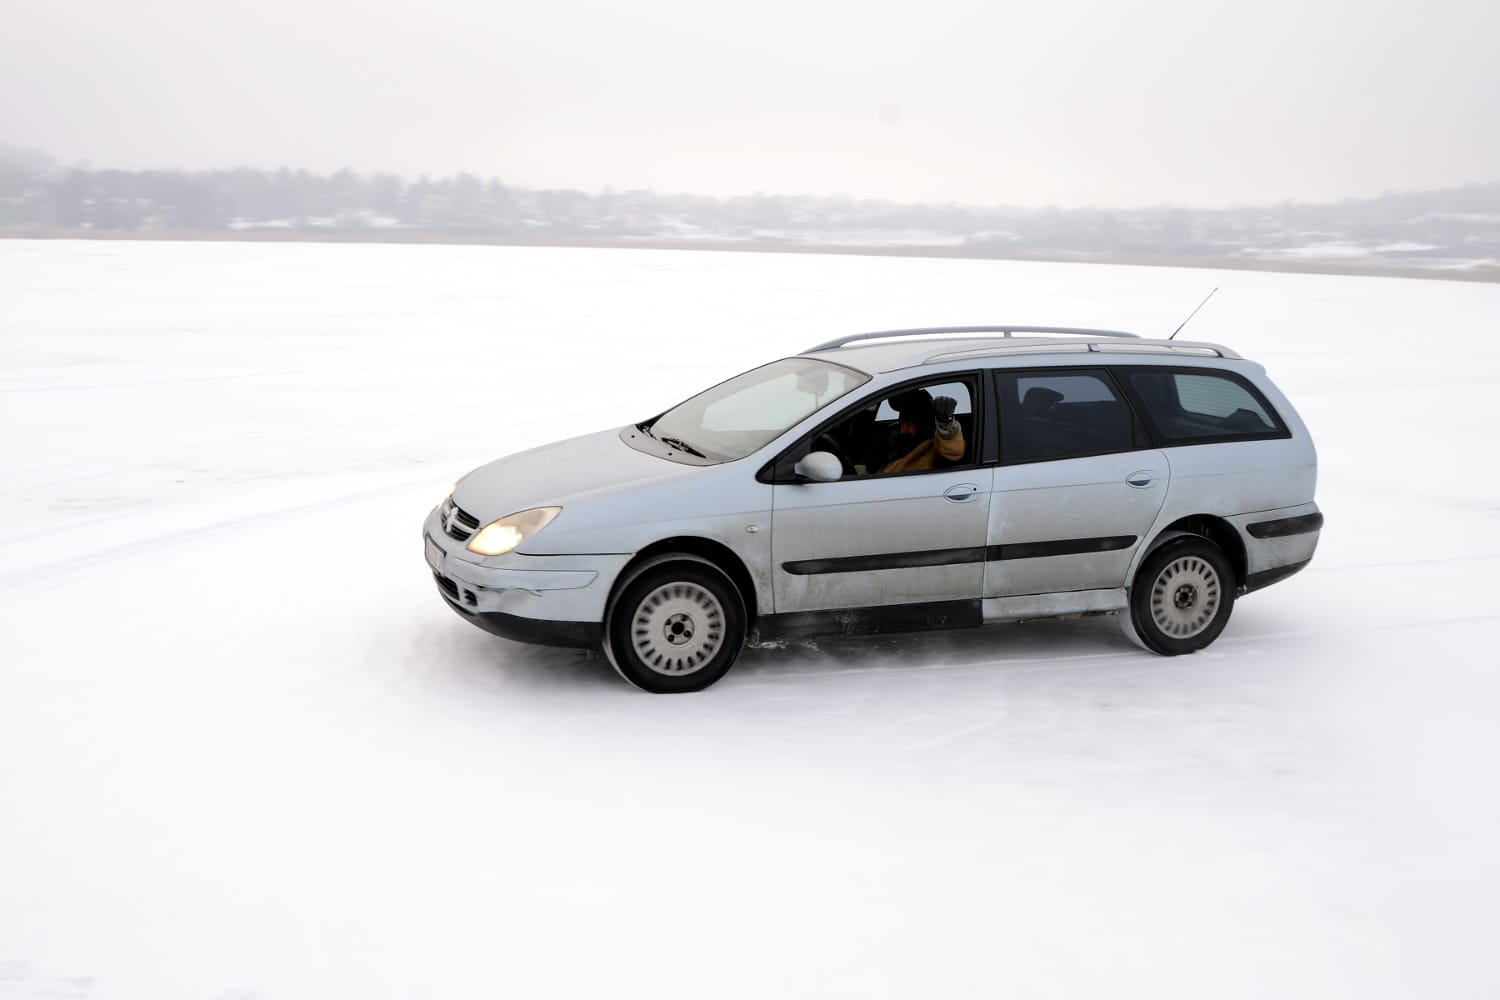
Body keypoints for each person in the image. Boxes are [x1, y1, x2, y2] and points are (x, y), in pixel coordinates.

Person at [879, 389, 965, 473]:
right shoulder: (898, 448)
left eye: (909, 424)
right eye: (902, 424)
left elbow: (953, 450)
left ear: (922, 425)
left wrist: (945, 424)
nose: (903, 430)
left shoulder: (933, 450)